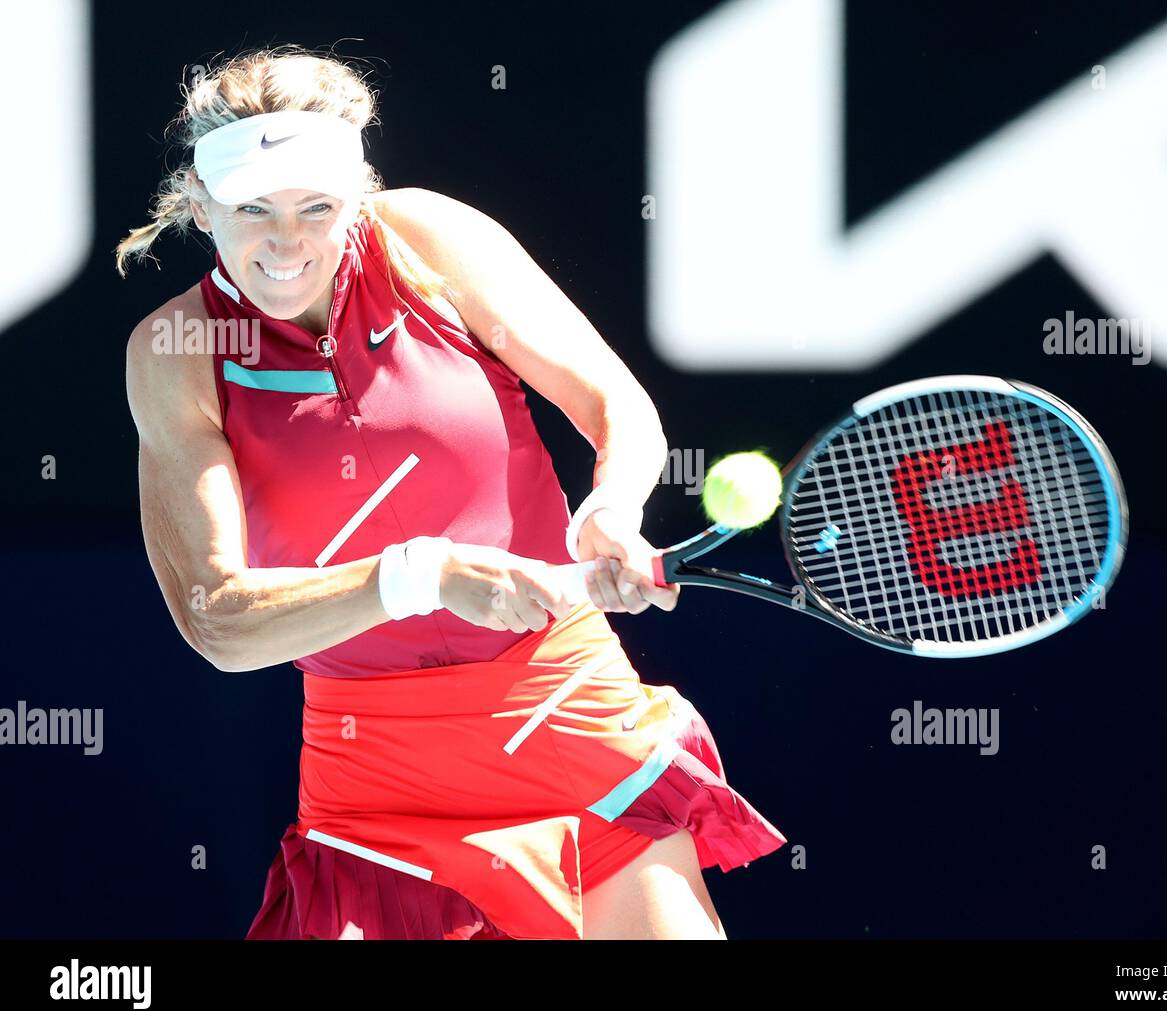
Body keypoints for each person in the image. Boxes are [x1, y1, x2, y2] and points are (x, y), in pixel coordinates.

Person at [119, 45, 785, 940]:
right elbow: (218, 621)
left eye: (319, 206)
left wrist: (613, 508)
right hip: (375, 783)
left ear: (357, 191)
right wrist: (424, 573)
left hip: (569, 707)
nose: (289, 243)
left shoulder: (428, 238)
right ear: (200, 207)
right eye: (253, 211)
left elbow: (611, 403)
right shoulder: (176, 355)